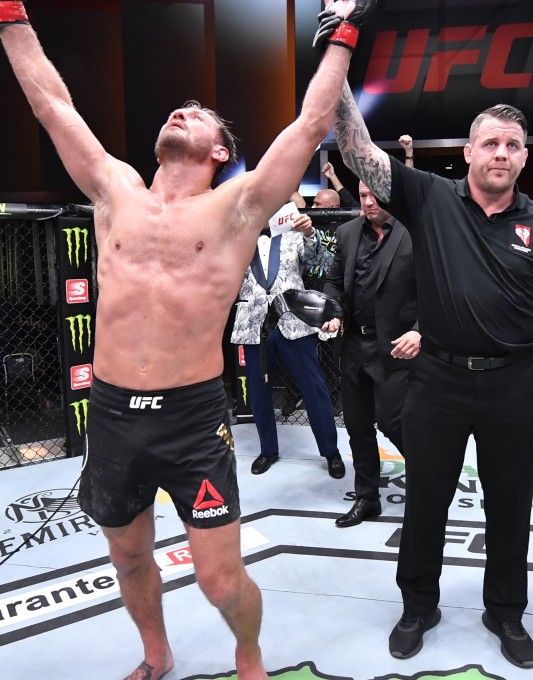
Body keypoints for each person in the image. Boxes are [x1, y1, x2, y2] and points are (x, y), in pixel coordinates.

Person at [0, 2, 375, 678]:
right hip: (113, 412)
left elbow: (313, 123)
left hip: (191, 417)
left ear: (220, 150)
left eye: (197, 114)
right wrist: (10, 15)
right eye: (176, 110)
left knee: (220, 581)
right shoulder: (114, 190)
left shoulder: (237, 208)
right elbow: (52, 105)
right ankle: (155, 651)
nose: (180, 111)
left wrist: (344, 32)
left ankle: (249, 649)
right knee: (128, 555)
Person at [333, 88, 533, 669]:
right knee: (426, 500)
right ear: (470, 151)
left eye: (512, 145)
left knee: (510, 505)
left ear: (524, 158)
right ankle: (418, 606)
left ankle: (504, 611)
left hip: (513, 384)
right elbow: (356, 149)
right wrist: (340, 52)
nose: (500, 153)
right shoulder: (429, 198)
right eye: (490, 143)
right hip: (439, 380)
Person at [321, 181, 418, 527]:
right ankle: (367, 498)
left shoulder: (415, 231)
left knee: (395, 421)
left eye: (374, 196)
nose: (367, 202)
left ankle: (430, 478)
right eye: (362, 195)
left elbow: (438, 290)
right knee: (357, 425)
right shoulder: (348, 233)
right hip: (353, 346)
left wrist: (419, 330)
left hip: (395, 347)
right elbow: (333, 281)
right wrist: (332, 311)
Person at [230, 205, 345, 479]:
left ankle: (331, 452)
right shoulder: (238, 239)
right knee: (257, 392)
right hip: (253, 323)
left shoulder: (294, 234)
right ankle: (268, 449)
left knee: (314, 388)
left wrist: (309, 234)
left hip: (292, 321)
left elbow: (321, 261)